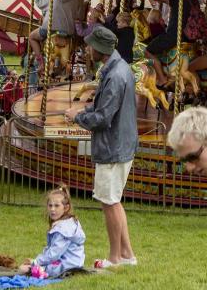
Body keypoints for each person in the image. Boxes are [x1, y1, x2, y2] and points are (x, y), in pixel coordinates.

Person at [64, 26, 138, 269]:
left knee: (109, 202)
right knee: (113, 200)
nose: (87, 48)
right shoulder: (119, 67)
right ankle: (127, 254)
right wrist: (81, 111)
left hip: (113, 146)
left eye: (90, 45)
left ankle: (115, 259)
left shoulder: (116, 75)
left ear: (99, 49)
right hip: (119, 143)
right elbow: (104, 107)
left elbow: (104, 118)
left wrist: (77, 118)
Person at [18, 187, 85, 278]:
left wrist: (35, 262)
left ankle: (36, 271)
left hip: (66, 266)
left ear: (66, 208)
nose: (52, 209)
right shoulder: (70, 222)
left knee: (23, 269)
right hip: (74, 263)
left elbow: (54, 254)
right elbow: (52, 250)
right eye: (50, 205)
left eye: (57, 206)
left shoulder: (62, 229)